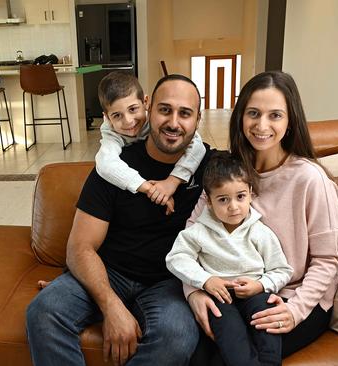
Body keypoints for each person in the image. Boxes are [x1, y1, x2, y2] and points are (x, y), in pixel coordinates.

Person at [26, 74, 209, 366]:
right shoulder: (114, 165)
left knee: (177, 335)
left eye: (185, 113)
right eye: (165, 110)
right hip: (109, 273)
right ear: (150, 109)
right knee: (44, 311)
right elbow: (80, 247)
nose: (174, 122)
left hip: (168, 281)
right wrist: (111, 305)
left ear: (198, 119)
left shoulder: (208, 167)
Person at [186, 71, 338, 364]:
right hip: (235, 294)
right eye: (253, 113)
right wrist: (194, 289)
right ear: (240, 117)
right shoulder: (228, 173)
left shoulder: (310, 179)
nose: (262, 125)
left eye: (275, 115)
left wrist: (294, 311)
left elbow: (327, 261)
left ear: (290, 121)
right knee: (192, 354)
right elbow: (192, 235)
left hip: (295, 296)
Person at [166, 151, 293, 366]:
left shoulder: (260, 232)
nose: (233, 206)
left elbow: (282, 270)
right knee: (231, 335)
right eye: (223, 200)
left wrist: (260, 285)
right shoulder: (199, 231)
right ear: (209, 202)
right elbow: (176, 258)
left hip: (255, 293)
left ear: (250, 194)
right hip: (220, 296)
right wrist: (205, 280)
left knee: (267, 323)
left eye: (240, 196)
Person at [95, 72, 206, 213]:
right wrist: (149, 188)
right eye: (117, 115)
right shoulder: (111, 132)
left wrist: (172, 181)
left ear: (146, 103)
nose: (128, 121)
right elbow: (105, 163)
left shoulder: (152, 118)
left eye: (133, 109)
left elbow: (197, 145)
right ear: (107, 118)